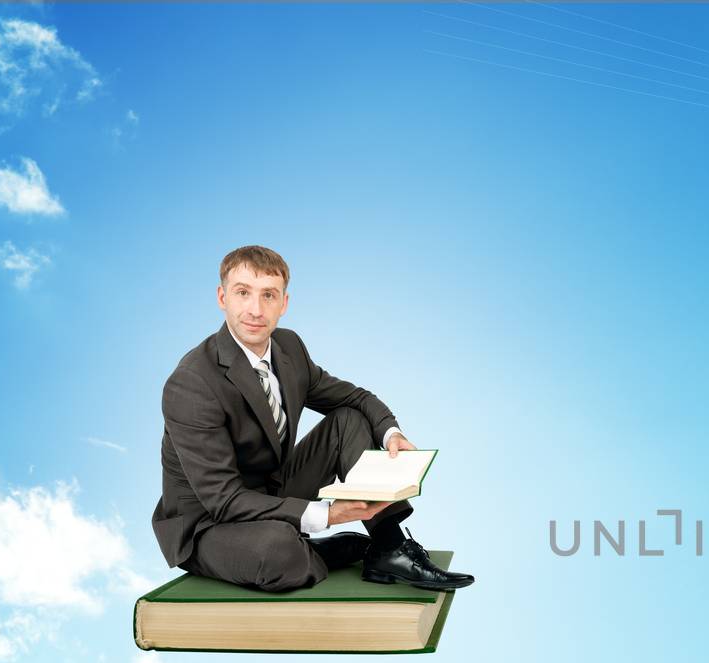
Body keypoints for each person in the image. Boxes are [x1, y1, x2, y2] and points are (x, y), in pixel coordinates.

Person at [151, 245, 473, 593]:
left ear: (283, 304)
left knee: (348, 421)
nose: (255, 310)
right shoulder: (191, 383)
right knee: (278, 550)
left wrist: (391, 434)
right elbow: (224, 499)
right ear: (222, 297)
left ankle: (389, 547)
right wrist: (328, 515)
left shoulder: (288, 348)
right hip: (210, 524)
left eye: (268, 295)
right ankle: (307, 547)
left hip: (270, 488)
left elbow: (355, 398)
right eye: (243, 293)